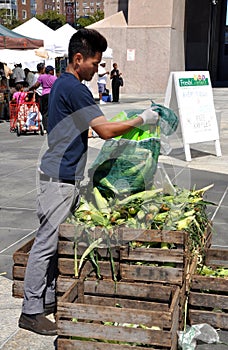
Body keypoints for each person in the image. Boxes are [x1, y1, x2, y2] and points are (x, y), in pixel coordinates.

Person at [18, 28, 159, 336]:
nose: (97, 70)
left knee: (54, 242)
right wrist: (140, 120)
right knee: (45, 244)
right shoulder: (76, 89)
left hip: (57, 174)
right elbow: (106, 130)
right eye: (95, 64)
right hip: (58, 178)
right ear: (78, 58)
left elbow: (87, 128)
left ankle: (45, 300)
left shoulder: (62, 84)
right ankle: (30, 311)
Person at [29, 65, 57, 132]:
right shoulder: (55, 78)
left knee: (45, 111)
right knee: (52, 110)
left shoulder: (41, 77)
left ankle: (45, 128)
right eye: (52, 70)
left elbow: (36, 85)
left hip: (44, 95)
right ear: (50, 71)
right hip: (52, 95)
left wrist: (30, 89)